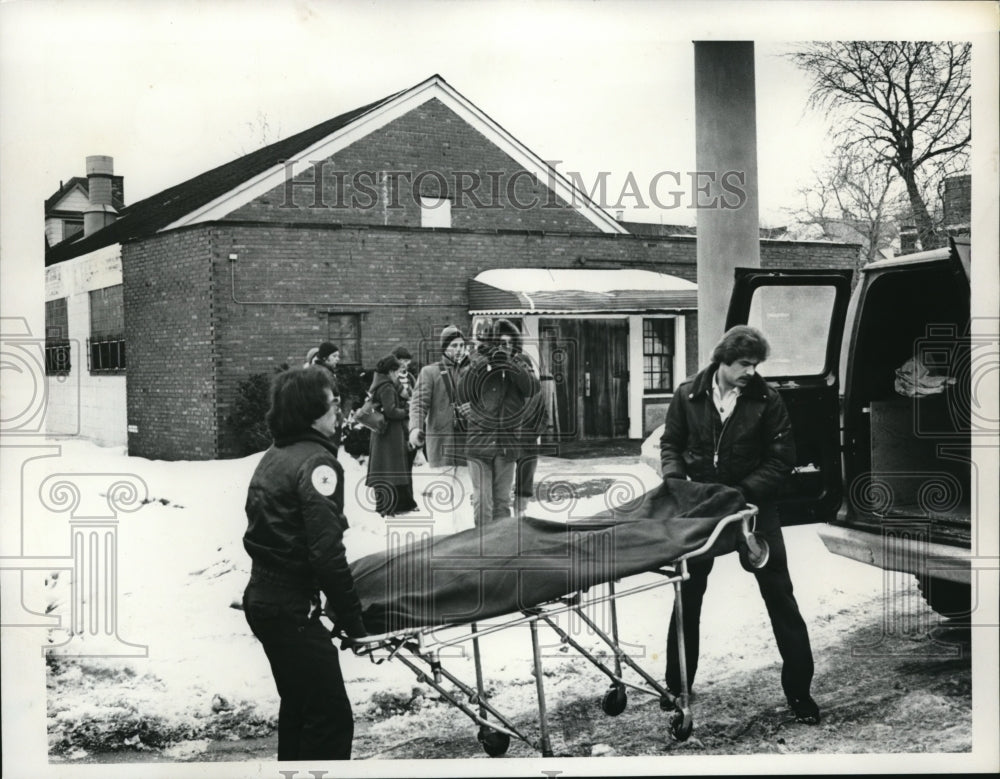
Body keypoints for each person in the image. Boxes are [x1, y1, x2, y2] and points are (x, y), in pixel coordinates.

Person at [659, 325, 820, 725]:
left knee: (780, 595)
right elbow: (671, 445)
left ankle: (800, 693)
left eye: (755, 364)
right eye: (744, 364)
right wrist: (677, 485)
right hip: (701, 509)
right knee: (687, 596)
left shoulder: (768, 400)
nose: (751, 371)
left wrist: (742, 493)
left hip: (754, 510)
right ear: (723, 361)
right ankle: (676, 685)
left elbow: (781, 459)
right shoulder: (687, 395)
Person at [242, 366, 367, 761]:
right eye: (332, 404)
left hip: (267, 600)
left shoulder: (276, 454)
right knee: (330, 718)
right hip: (290, 609)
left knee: (300, 709)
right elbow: (326, 554)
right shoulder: (317, 465)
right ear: (311, 413)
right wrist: (353, 618)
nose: (340, 412)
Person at [458, 318, 541, 526]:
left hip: (507, 443)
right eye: (500, 343)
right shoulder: (477, 360)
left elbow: (532, 387)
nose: (504, 348)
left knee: (502, 502)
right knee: (482, 501)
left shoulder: (521, 362)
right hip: (479, 443)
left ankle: (502, 549)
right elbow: (462, 390)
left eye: (509, 343)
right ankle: (482, 548)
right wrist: (485, 360)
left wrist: (509, 363)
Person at [365, 354, 417, 516]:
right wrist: (407, 411)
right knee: (391, 470)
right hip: (390, 435)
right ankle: (390, 507)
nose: (397, 375)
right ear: (391, 371)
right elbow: (391, 411)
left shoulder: (379, 383)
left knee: (383, 470)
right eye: (396, 371)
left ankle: (385, 505)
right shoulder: (387, 387)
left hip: (383, 434)